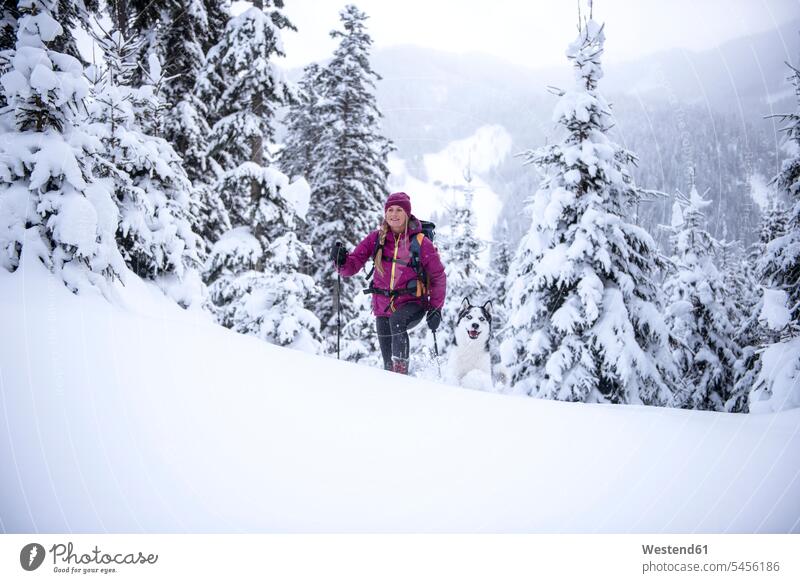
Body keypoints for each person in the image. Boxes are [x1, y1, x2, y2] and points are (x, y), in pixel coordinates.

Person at [330, 192, 446, 374]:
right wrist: (341, 261)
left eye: (399, 210)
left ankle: (401, 376)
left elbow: (438, 276)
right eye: (390, 210)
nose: (394, 214)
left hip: (413, 304)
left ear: (407, 213)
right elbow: (352, 267)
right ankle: (393, 383)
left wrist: (435, 308)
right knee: (387, 363)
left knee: (397, 321)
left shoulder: (421, 243)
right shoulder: (376, 238)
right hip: (382, 307)